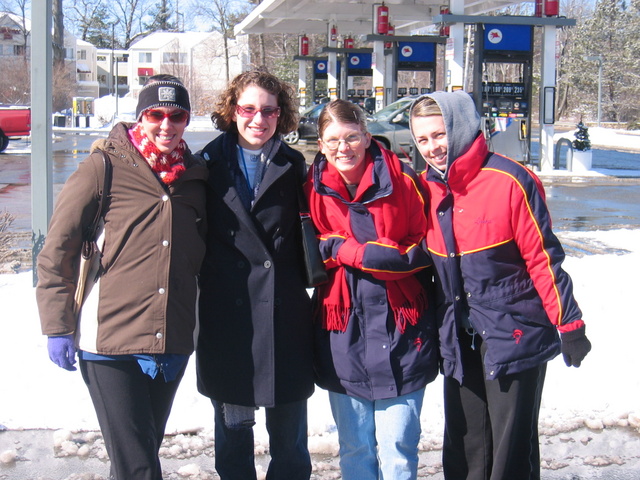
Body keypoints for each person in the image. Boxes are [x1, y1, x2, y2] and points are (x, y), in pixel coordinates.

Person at [409, 91, 592, 480]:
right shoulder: (425, 188)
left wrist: (570, 324)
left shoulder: (510, 180)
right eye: (422, 139)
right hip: (460, 338)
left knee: (511, 452)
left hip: (515, 333)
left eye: (439, 135)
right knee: (466, 446)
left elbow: (543, 258)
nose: (432, 148)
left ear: (461, 128)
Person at [36, 74, 208, 480]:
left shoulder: (197, 175)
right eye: (156, 114)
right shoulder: (105, 166)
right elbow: (57, 249)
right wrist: (57, 326)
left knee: (138, 455)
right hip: (108, 340)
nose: (166, 124)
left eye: (177, 115)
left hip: (171, 338)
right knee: (139, 467)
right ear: (140, 117)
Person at [305, 99, 439, 480]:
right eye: (332, 140)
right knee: (356, 449)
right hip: (342, 333)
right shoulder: (310, 189)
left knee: (398, 452)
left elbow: (425, 248)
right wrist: (343, 250)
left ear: (366, 136)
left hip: (402, 331)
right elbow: (308, 253)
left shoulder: (405, 180)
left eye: (351, 137)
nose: (342, 148)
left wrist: (351, 250)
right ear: (320, 144)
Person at [195, 69, 314, 480]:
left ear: (281, 115)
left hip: (285, 324)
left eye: (268, 110)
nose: (258, 119)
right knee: (233, 444)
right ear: (232, 110)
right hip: (232, 328)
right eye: (248, 109)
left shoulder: (294, 165)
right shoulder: (206, 166)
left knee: (291, 447)